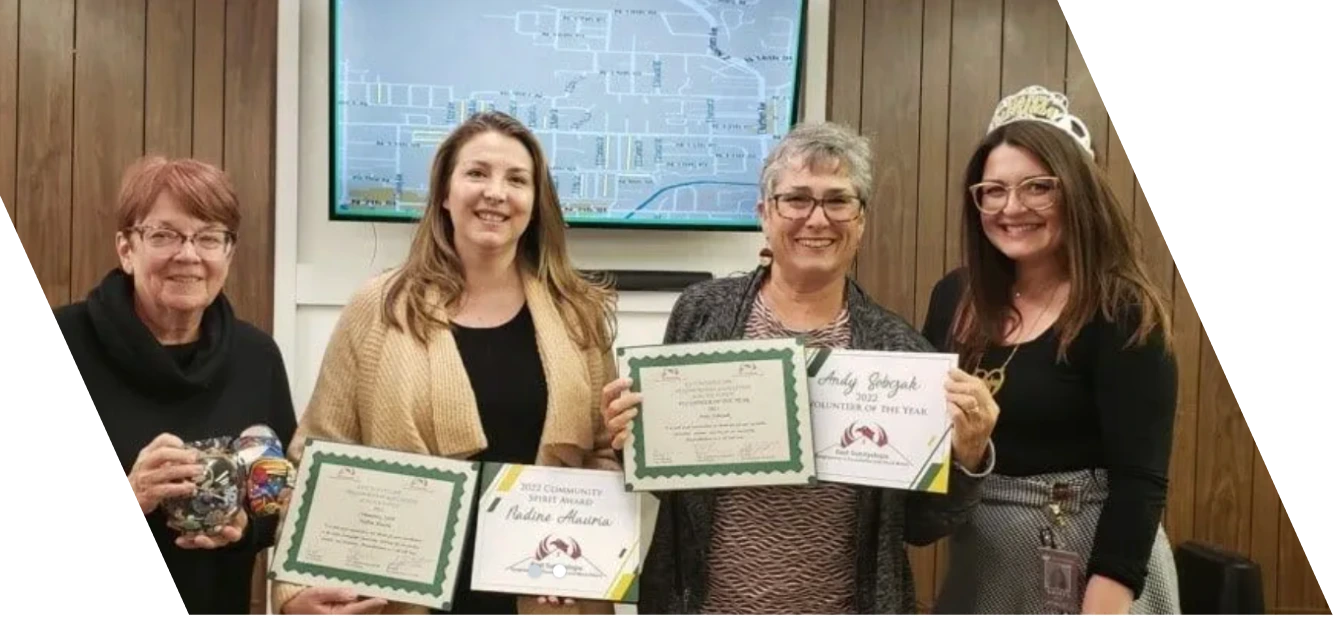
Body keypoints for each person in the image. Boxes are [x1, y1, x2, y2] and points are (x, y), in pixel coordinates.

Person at [599, 121, 1002, 614]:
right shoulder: (701, 314)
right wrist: (629, 441)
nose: (817, 219)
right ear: (765, 214)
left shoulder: (902, 353)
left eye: (838, 201)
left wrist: (968, 454)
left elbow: (921, 527)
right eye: (796, 199)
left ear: (861, 221)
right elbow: (672, 487)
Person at [271, 110, 621, 615]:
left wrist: (591, 553)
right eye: (477, 173)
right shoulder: (379, 307)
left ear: (535, 203)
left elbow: (604, 452)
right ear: (444, 194)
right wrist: (293, 593)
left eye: (516, 179)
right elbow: (317, 456)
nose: (496, 192)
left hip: (546, 595)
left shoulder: (576, 312)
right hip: (397, 600)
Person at [921, 85, 1181, 614]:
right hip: (983, 556)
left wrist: (1106, 600)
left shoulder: (1121, 308)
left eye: (1038, 187)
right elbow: (921, 434)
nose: (1011, 207)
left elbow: (1140, 482)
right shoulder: (954, 295)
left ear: (1077, 195)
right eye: (992, 190)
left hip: (1093, 561)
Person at [53, 155, 300, 614]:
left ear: (228, 253)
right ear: (126, 249)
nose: (188, 255)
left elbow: (276, 501)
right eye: (164, 235)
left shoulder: (257, 357)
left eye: (209, 237)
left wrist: (245, 527)